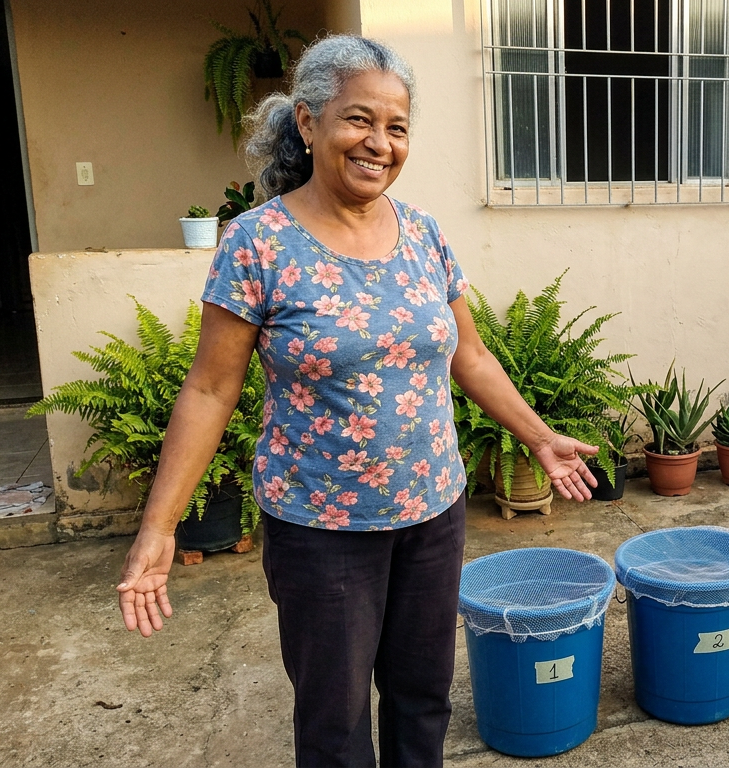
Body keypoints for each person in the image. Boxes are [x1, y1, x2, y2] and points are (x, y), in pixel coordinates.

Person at [113, 35, 598, 768]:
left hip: (432, 511)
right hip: (321, 526)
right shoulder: (257, 244)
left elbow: (469, 353)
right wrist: (160, 527)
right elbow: (211, 388)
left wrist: (537, 435)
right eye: (358, 120)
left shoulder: (424, 234)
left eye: (397, 128)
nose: (379, 143)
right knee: (335, 724)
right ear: (308, 124)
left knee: (422, 700)